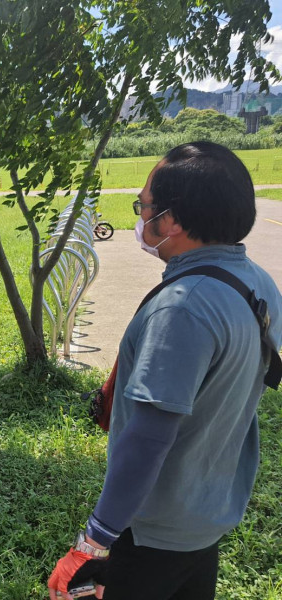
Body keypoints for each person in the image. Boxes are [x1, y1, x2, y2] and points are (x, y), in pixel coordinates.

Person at [48, 142, 282, 600]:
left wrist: (95, 539)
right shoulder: (256, 280)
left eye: (144, 207)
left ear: (171, 221)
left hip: (154, 528)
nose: (140, 218)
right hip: (207, 512)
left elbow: (149, 438)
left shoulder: (184, 308)